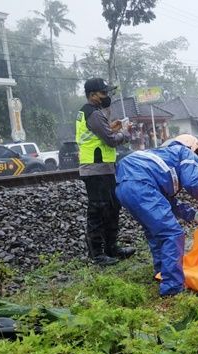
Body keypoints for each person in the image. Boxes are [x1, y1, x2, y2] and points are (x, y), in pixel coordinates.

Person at [115, 134, 198, 295]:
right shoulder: (186, 153)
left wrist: (193, 215)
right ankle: (172, 288)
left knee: (156, 233)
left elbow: (166, 201)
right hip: (141, 184)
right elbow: (192, 183)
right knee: (172, 234)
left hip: (124, 187)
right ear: (196, 150)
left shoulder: (164, 159)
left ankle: (161, 273)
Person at [77, 77, 136, 266]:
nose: (107, 96)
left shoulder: (92, 113)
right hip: (95, 170)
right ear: (93, 95)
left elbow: (101, 134)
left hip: (104, 168)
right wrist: (125, 134)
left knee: (112, 208)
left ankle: (112, 248)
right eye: (103, 93)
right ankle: (97, 254)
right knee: (98, 211)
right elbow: (110, 140)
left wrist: (112, 127)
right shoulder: (93, 113)